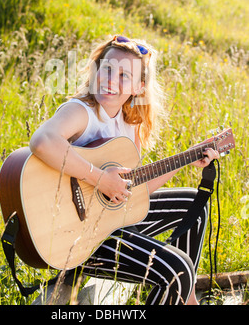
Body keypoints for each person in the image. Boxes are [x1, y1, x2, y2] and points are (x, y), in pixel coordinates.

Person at [29, 35, 219, 305]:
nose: (110, 80)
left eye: (123, 76)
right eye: (106, 69)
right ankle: (182, 292)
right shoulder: (82, 112)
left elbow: (131, 193)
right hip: (76, 238)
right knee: (177, 271)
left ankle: (183, 297)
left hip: (109, 224)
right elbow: (43, 140)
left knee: (194, 205)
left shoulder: (130, 127)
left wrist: (188, 159)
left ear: (139, 88)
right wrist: (99, 178)